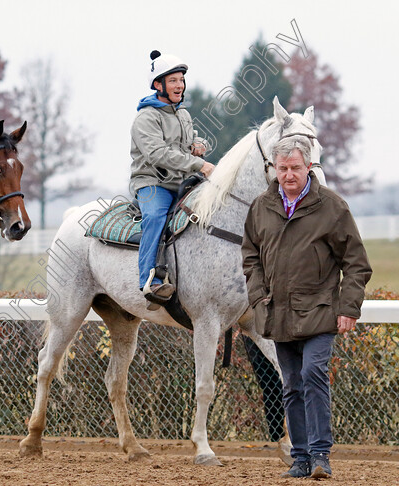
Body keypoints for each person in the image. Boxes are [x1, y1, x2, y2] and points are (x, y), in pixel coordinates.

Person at [242, 135, 372, 479]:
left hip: (320, 312)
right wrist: (257, 297)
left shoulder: (332, 206)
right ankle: (299, 459)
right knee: (291, 385)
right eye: (282, 168)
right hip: (278, 314)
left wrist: (349, 308)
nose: (288, 175)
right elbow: (250, 256)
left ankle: (320, 456)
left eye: (295, 167)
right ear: (274, 168)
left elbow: (357, 263)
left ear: (309, 166)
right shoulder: (260, 207)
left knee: (313, 374)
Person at [130, 50, 215, 303]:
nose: (180, 85)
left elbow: (188, 142)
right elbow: (158, 155)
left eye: (181, 80)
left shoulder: (183, 114)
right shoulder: (145, 118)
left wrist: (199, 144)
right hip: (152, 183)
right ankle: (149, 281)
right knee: (155, 216)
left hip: (181, 182)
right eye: (174, 80)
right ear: (158, 85)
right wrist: (200, 163)